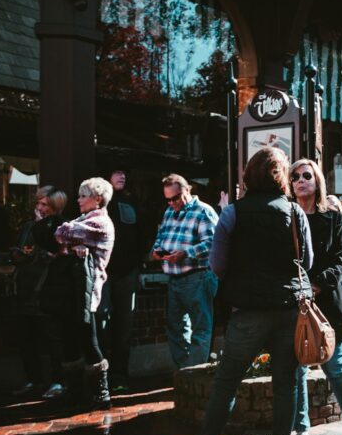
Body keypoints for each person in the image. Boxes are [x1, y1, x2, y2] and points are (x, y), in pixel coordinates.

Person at [168, 147, 314, 435]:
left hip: (248, 310)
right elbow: (307, 263)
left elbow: (217, 265)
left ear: (249, 174)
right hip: (289, 308)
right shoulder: (295, 212)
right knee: (286, 383)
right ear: (282, 176)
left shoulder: (234, 213)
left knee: (227, 382)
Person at [288, 158, 342, 435]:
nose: (301, 180)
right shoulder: (289, 218)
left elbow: (340, 260)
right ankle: (301, 429)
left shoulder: (333, 218)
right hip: (295, 303)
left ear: (317, 180)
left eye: (306, 175)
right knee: (296, 371)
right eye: (295, 177)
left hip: (328, 304)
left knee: (336, 368)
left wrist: (315, 285)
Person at [55, 177, 116, 409]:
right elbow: (62, 239)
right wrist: (71, 245)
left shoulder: (100, 222)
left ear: (97, 199)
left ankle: (101, 392)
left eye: (83, 195)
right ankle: (76, 390)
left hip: (88, 290)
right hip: (73, 288)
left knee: (88, 338)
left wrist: (68, 243)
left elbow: (61, 232)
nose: (78, 200)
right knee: (70, 337)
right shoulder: (84, 219)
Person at [151, 174, 219, 369]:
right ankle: (185, 372)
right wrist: (157, 251)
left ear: (187, 190)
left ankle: (194, 375)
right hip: (173, 277)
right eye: (168, 199)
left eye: (176, 197)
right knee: (176, 329)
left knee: (200, 328)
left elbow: (214, 242)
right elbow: (161, 236)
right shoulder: (168, 212)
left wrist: (186, 253)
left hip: (196, 276)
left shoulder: (203, 211)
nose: (172, 203)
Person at [11, 186, 70, 398]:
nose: (40, 208)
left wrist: (41, 252)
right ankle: (33, 379)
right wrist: (18, 254)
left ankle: (58, 380)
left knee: (52, 337)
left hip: (46, 287)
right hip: (27, 285)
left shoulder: (60, 225)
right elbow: (19, 248)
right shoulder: (29, 226)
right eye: (39, 203)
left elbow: (56, 254)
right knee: (26, 337)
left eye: (45, 204)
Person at [99, 166, 144, 393]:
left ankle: (119, 375)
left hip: (127, 271)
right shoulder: (98, 204)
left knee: (124, 326)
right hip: (103, 272)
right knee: (102, 323)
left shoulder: (132, 202)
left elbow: (142, 234)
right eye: (116, 172)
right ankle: (101, 375)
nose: (122, 176)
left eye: (124, 172)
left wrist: (139, 263)